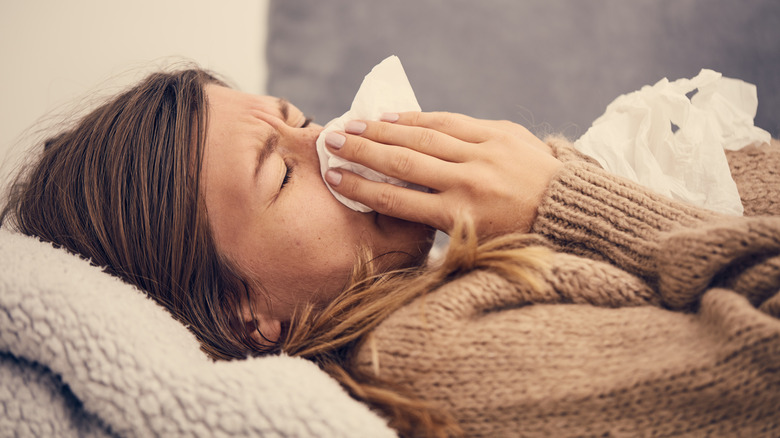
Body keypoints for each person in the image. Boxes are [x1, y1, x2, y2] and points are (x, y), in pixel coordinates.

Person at [2, 67, 779, 437]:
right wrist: (564, 200)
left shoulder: (450, 267)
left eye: (302, 119)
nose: (333, 141)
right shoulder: (426, 357)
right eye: (280, 170)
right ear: (248, 317)